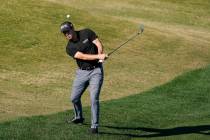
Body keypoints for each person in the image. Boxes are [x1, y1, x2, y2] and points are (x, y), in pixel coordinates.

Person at [60, 21, 108, 134]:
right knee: (74, 98)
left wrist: (100, 55)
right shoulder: (69, 47)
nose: (67, 34)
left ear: (73, 29)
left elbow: (98, 43)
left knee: (93, 99)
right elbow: (82, 56)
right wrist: (98, 56)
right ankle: (79, 117)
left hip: (96, 71)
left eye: (68, 31)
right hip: (81, 73)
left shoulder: (86, 32)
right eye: (64, 33)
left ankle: (94, 126)